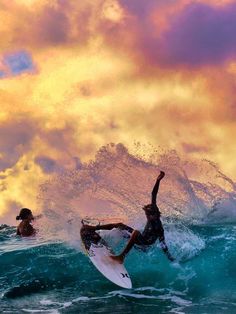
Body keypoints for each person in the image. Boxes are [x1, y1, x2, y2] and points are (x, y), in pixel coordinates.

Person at [80, 171, 174, 263]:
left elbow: (163, 243)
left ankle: (121, 257)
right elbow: (154, 194)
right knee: (119, 227)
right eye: (147, 215)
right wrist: (158, 180)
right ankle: (96, 232)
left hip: (143, 244)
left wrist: (169, 257)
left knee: (135, 232)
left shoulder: (158, 227)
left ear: (155, 214)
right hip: (140, 238)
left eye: (149, 215)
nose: (148, 217)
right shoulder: (154, 208)